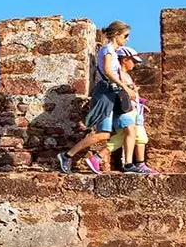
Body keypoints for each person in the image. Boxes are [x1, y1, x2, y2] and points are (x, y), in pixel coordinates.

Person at [58, 21, 138, 174]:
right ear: (116, 34)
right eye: (125, 35)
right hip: (105, 93)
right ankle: (67, 155)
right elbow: (108, 71)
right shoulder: (107, 49)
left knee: (126, 128)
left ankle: (127, 164)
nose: (127, 39)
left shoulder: (113, 52)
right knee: (103, 134)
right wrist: (125, 87)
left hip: (112, 93)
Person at [106, 48, 157, 174]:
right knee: (129, 136)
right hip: (127, 111)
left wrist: (140, 102)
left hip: (134, 110)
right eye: (133, 61)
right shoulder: (119, 75)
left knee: (137, 137)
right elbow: (120, 93)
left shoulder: (126, 76)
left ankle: (139, 164)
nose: (134, 64)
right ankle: (99, 157)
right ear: (125, 60)